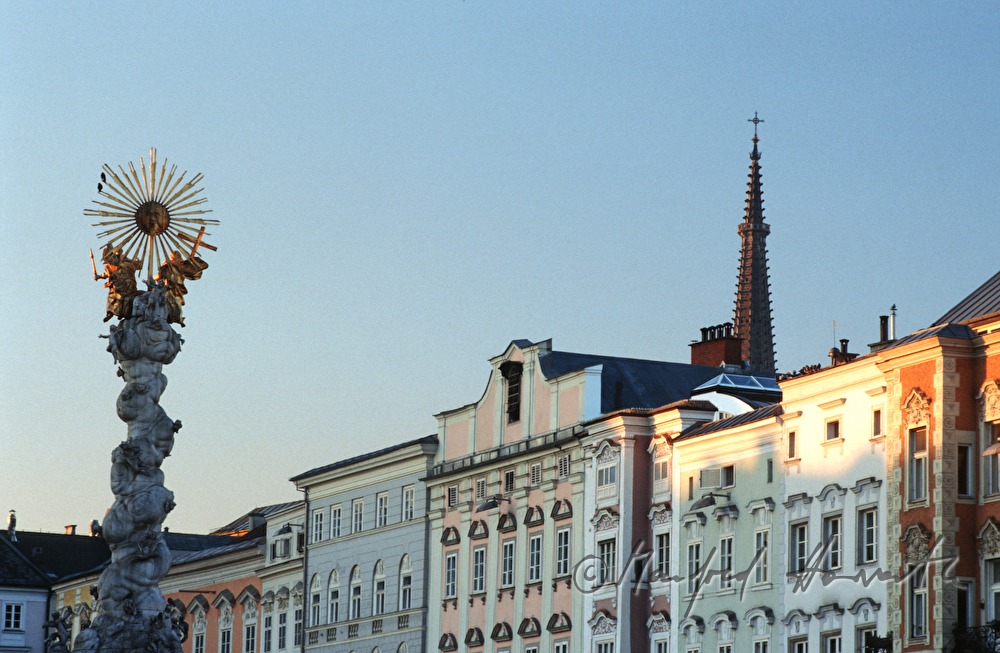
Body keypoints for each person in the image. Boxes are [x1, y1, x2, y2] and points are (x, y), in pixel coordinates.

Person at [156, 251, 208, 325]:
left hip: (177, 289)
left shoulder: (183, 266)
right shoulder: (167, 266)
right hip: (168, 288)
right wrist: (151, 279)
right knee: (169, 302)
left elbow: (203, 266)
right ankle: (167, 316)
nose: (180, 259)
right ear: (172, 258)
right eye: (176, 257)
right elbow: (159, 276)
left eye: (179, 257)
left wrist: (193, 261)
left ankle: (174, 317)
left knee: (176, 306)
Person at [94, 244, 142, 322]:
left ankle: (121, 312)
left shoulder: (126, 262)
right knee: (113, 295)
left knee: (123, 296)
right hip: (119, 282)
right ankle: (112, 312)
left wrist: (137, 262)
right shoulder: (114, 264)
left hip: (127, 282)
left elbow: (137, 265)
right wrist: (99, 276)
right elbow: (107, 273)